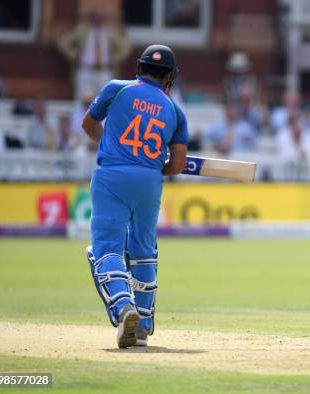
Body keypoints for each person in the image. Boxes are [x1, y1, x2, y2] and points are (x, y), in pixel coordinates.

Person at [81, 44, 188, 348]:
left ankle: (123, 307)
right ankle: (142, 322)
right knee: (142, 249)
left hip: (112, 176)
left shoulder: (116, 89)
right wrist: (150, 164)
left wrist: (114, 147)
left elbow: (88, 124)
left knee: (106, 249)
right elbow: (178, 164)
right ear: (170, 76)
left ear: (139, 69)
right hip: (149, 181)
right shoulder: (175, 111)